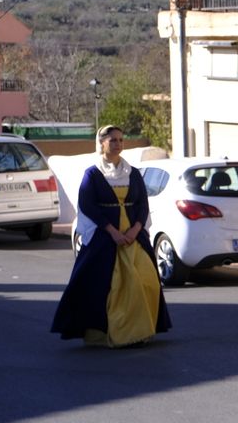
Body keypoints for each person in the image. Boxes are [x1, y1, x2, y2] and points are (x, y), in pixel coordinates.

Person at [50, 125, 170, 347]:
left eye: (121, 140)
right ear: (101, 143)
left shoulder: (132, 173)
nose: (118, 144)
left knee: (146, 280)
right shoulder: (93, 173)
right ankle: (104, 333)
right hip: (106, 235)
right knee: (100, 283)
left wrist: (135, 230)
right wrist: (112, 232)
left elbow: (143, 204)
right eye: (113, 140)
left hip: (133, 236)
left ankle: (139, 331)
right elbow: (88, 204)